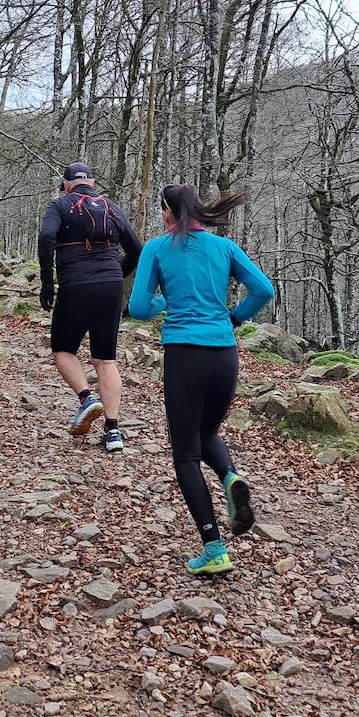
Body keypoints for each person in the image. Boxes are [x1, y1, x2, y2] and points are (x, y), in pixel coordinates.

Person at [128, 183, 275, 575]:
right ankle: (230, 476)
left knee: (186, 453)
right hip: (225, 356)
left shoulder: (157, 249)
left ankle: (213, 548)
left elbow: (139, 307)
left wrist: (165, 302)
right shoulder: (224, 247)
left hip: (185, 356)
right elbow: (264, 289)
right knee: (207, 431)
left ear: (168, 212)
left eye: (162, 210)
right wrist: (236, 318)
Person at [38, 162, 143, 452]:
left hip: (76, 285)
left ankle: (87, 399)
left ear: (67, 183)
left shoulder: (60, 205)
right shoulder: (112, 208)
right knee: (105, 360)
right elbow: (138, 249)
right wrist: (117, 274)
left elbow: (47, 237)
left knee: (62, 349)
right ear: (93, 183)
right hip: (110, 287)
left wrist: (47, 282)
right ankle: (113, 431)